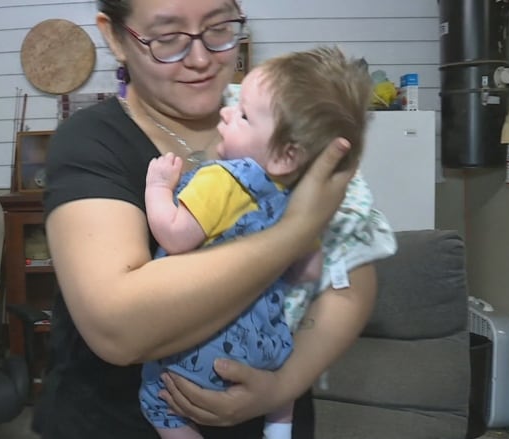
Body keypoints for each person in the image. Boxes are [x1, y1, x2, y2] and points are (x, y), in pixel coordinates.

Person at [33, 1, 385, 437]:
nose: (200, 59)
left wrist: (282, 387)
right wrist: (297, 230)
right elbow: (118, 328)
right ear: (115, 37)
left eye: (219, 28)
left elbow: (352, 273)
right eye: (167, 38)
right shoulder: (92, 142)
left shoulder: (289, 116)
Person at [140, 47, 394, 439]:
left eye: (242, 114)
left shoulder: (224, 178)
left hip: (205, 350)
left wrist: (159, 188)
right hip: (269, 350)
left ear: (287, 154)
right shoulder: (298, 201)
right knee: (283, 368)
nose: (227, 112)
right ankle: (278, 431)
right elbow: (309, 272)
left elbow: (175, 236)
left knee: (158, 402)